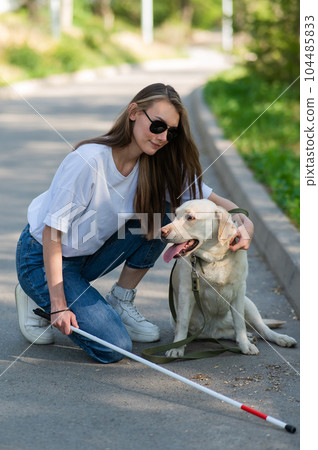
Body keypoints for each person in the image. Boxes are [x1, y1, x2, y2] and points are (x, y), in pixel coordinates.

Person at [15, 83, 254, 363]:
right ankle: (36, 293)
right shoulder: (88, 162)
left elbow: (211, 200)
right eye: (158, 126)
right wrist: (58, 306)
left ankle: (121, 299)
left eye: (171, 132)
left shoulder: (154, 165)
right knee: (115, 345)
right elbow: (52, 233)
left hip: (85, 258)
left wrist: (243, 220)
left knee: (166, 215)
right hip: (42, 258)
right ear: (133, 113)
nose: (163, 137)